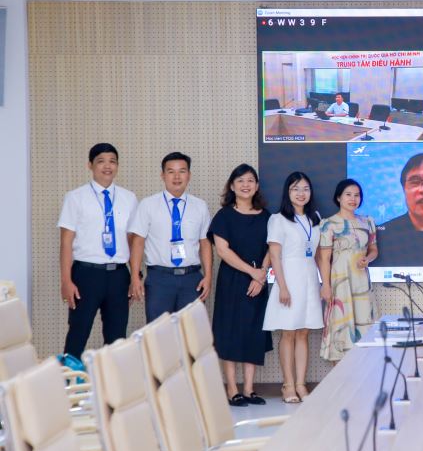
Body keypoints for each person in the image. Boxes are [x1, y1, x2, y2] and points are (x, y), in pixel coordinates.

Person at [58, 143, 138, 359]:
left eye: (112, 161)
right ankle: (70, 377)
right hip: (86, 275)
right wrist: (66, 280)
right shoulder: (75, 197)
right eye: (101, 161)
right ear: (90, 165)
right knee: (78, 332)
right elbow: (66, 242)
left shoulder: (129, 198)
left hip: (119, 275)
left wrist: (135, 276)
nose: (107, 166)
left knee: (117, 337)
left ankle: (112, 380)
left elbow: (132, 241)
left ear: (117, 166)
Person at [208, 164, 272, 407]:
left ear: (257, 186)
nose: (246, 185)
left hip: (259, 281)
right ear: (232, 186)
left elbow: (272, 248)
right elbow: (223, 251)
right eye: (240, 181)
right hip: (232, 280)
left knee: (253, 332)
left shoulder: (266, 216)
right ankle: (232, 389)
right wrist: (253, 272)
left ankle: (249, 389)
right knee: (230, 333)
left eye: (250, 180)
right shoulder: (224, 216)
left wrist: (261, 275)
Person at [128, 152, 213, 322]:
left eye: (182, 171)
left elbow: (205, 243)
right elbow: (138, 242)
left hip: (191, 279)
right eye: (171, 171)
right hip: (159, 279)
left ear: (189, 175)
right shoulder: (148, 205)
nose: (177, 177)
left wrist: (208, 276)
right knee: (159, 332)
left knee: (191, 333)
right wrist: (135, 277)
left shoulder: (200, 206)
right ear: (163, 175)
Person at [264, 172, 324, 403]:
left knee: (304, 332)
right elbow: (274, 256)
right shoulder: (278, 219)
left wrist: (324, 283)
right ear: (287, 192)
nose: (301, 193)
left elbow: (318, 255)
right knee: (288, 332)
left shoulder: (315, 218)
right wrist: (282, 287)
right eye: (295, 189)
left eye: (305, 189)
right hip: (288, 278)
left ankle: (301, 384)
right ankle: (288, 385)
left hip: (309, 279)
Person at [318, 179, 379, 361]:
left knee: (365, 330)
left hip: (362, 284)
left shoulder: (367, 222)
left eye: (357, 195)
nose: (353, 199)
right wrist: (325, 285)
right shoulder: (328, 224)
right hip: (340, 284)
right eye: (348, 194)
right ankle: (341, 378)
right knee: (341, 329)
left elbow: (374, 250)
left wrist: (368, 259)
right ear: (338, 197)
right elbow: (324, 258)